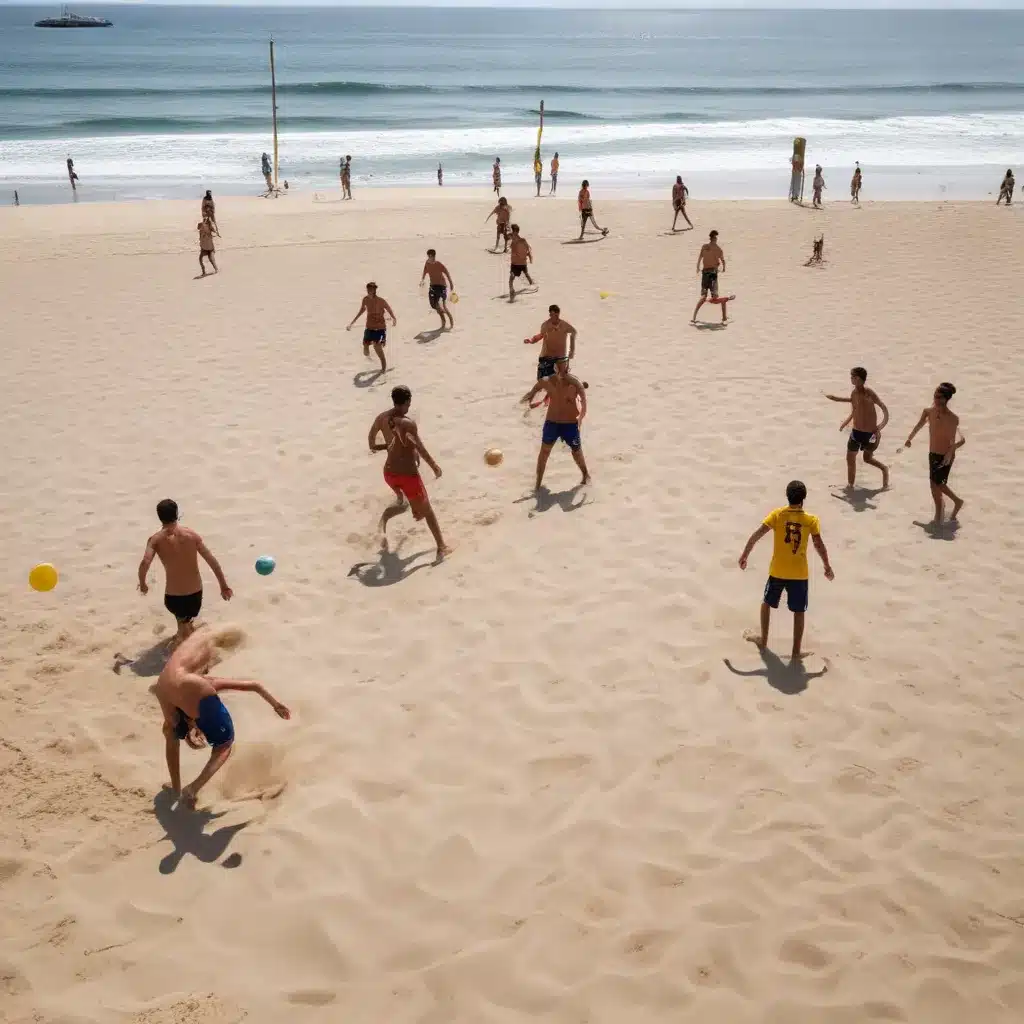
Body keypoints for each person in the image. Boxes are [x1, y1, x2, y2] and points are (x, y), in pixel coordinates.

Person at [151, 625, 290, 809]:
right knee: (224, 745)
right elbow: (255, 685)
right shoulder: (205, 681)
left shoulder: (162, 689)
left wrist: (190, 729)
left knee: (169, 733)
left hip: (174, 687)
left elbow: (176, 723)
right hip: (194, 686)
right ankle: (192, 789)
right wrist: (276, 704)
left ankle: (176, 787)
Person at [737, 480, 834, 661]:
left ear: (787, 497)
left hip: (777, 572)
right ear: (803, 499)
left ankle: (763, 640)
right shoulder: (811, 520)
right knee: (799, 611)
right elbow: (819, 544)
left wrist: (745, 554)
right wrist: (827, 566)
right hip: (799, 574)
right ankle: (795, 652)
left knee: (766, 603)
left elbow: (757, 535)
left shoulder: (777, 515)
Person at [368, 386, 450, 559]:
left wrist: (388, 447)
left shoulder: (381, 418)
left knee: (402, 503)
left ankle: (384, 522)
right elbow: (419, 447)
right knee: (426, 511)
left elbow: (372, 444)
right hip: (407, 474)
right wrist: (434, 466)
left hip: (389, 474)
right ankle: (442, 547)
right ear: (407, 402)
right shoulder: (407, 423)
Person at [137, 499, 233, 646]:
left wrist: (143, 583)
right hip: (195, 595)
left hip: (173, 598)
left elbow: (145, 562)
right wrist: (223, 586)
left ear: (159, 516)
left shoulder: (155, 540)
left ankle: (185, 655)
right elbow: (212, 561)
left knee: (183, 628)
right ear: (177, 514)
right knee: (187, 624)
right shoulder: (191, 535)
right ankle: (192, 642)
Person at [521, 359, 590, 492]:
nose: (561, 369)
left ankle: (586, 475)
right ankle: (537, 484)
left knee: (577, 452)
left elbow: (583, 395)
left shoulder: (574, 383)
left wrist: (580, 416)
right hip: (552, 423)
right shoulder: (549, 381)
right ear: (554, 368)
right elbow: (537, 387)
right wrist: (530, 397)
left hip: (570, 424)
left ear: (568, 366)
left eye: (564, 366)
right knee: (544, 453)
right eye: (558, 366)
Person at [903, 382, 966, 523]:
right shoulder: (928, 412)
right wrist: (909, 438)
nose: (936, 400)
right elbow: (919, 425)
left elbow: (960, 440)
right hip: (933, 453)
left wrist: (950, 453)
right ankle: (940, 511)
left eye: (940, 397)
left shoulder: (953, 418)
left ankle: (956, 502)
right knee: (933, 486)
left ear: (946, 399)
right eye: (935, 397)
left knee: (939, 484)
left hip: (945, 455)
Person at [824, 366, 890, 490]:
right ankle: (850, 485)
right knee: (850, 458)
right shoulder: (853, 393)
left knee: (867, 459)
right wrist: (846, 422)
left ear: (859, 379)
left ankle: (884, 470)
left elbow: (884, 409)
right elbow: (855, 409)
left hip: (870, 434)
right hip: (856, 432)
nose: (851, 379)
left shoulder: (869, 393)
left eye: (853, 377)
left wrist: (880, 427)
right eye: (851, 376)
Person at [346, 281, 396, 373]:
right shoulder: (365, 300)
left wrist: (393, 318)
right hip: (369, 328)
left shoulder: (381, 301)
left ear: (374, 290)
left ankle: (383, 370)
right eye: (368, 289)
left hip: (380, 328)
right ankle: (372, 360)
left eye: (371, 289)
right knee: (365, 349)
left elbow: (389, 309)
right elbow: (361, 310)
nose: (369, 291)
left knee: (377, 348)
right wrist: (352, 323)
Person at [691, 230, 735, 324]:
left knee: (703, 296)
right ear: (715, 238)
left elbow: (700, 258)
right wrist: (723, 269)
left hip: (705, 273)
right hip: (713, 274)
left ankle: (694, 317)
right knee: (715, 297)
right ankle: (725, 310)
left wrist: (698, 267)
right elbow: (723, 261)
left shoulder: (704, 246)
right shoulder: (718, 249)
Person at [525, 304, 577, 381]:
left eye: (556, 315)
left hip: (561, 357)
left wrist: (572, 350)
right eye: (552, 315)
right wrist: (532, 340)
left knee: (562, 380)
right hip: (547, 356)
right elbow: (540, 335)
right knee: (543, 381)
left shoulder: (565, 325)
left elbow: (574, 332)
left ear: (558, 314)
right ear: (550, 314)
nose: (554, 317)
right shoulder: (545, 325)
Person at [420, 248, 455, 329]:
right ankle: (442, 315)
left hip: (441, 286)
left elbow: (446, 272)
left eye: (431, 256)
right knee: (433, 305)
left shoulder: (439, 264)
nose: (429, 257)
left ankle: (449, 321)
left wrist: (451, 283)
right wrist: (422, 280)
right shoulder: (427, 263)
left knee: (443, 305)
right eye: (428, 256)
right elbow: (425, 271)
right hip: (433, 286)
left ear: (433, 256)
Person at [508, 224, 535, 301]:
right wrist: (529, 257)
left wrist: (529, 257)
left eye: (514, 231)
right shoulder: (521, 240)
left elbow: (528, 250)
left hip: (518, 263)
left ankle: (531, 285)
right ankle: (512, 290)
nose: (514, 233)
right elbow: (528, 250)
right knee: (523, 274)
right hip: (520, 262)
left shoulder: (520, 240)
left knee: (518, 276)